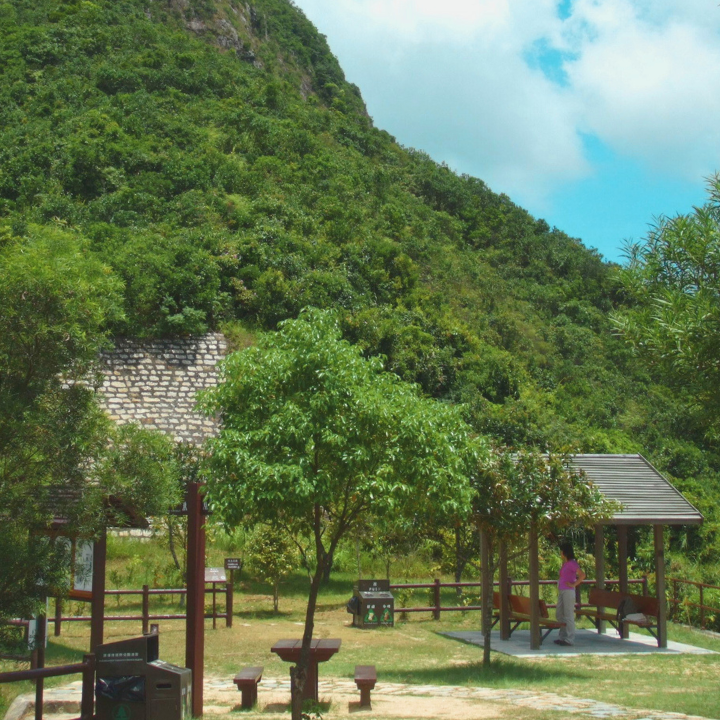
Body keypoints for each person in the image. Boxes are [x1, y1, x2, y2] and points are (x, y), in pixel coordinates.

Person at [554, 542, 585, 646]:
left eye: (562, 551)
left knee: (568, 615)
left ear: (565, 552)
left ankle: (569, 639)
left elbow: (582, 574)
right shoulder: (565, 564)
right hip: (562, 590)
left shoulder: (572, 563)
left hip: (568, 591)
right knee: (559, 614)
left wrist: (574, 584)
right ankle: (562, 636)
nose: (560, 553)